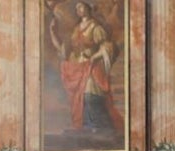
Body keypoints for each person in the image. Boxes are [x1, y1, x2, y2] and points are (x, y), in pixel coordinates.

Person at [48, 1, 123, 134]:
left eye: (81, 6)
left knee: (90, 93)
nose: (78, 9)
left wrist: (94, 57)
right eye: (77, 7)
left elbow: (107, 47)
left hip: (92, 68)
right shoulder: (77, 29)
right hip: (79, 66)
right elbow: (64, 51)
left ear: (88, 8)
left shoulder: (95, 27)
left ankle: (98, 126)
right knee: (80, 97)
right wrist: (52, 32)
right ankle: (86, 127)